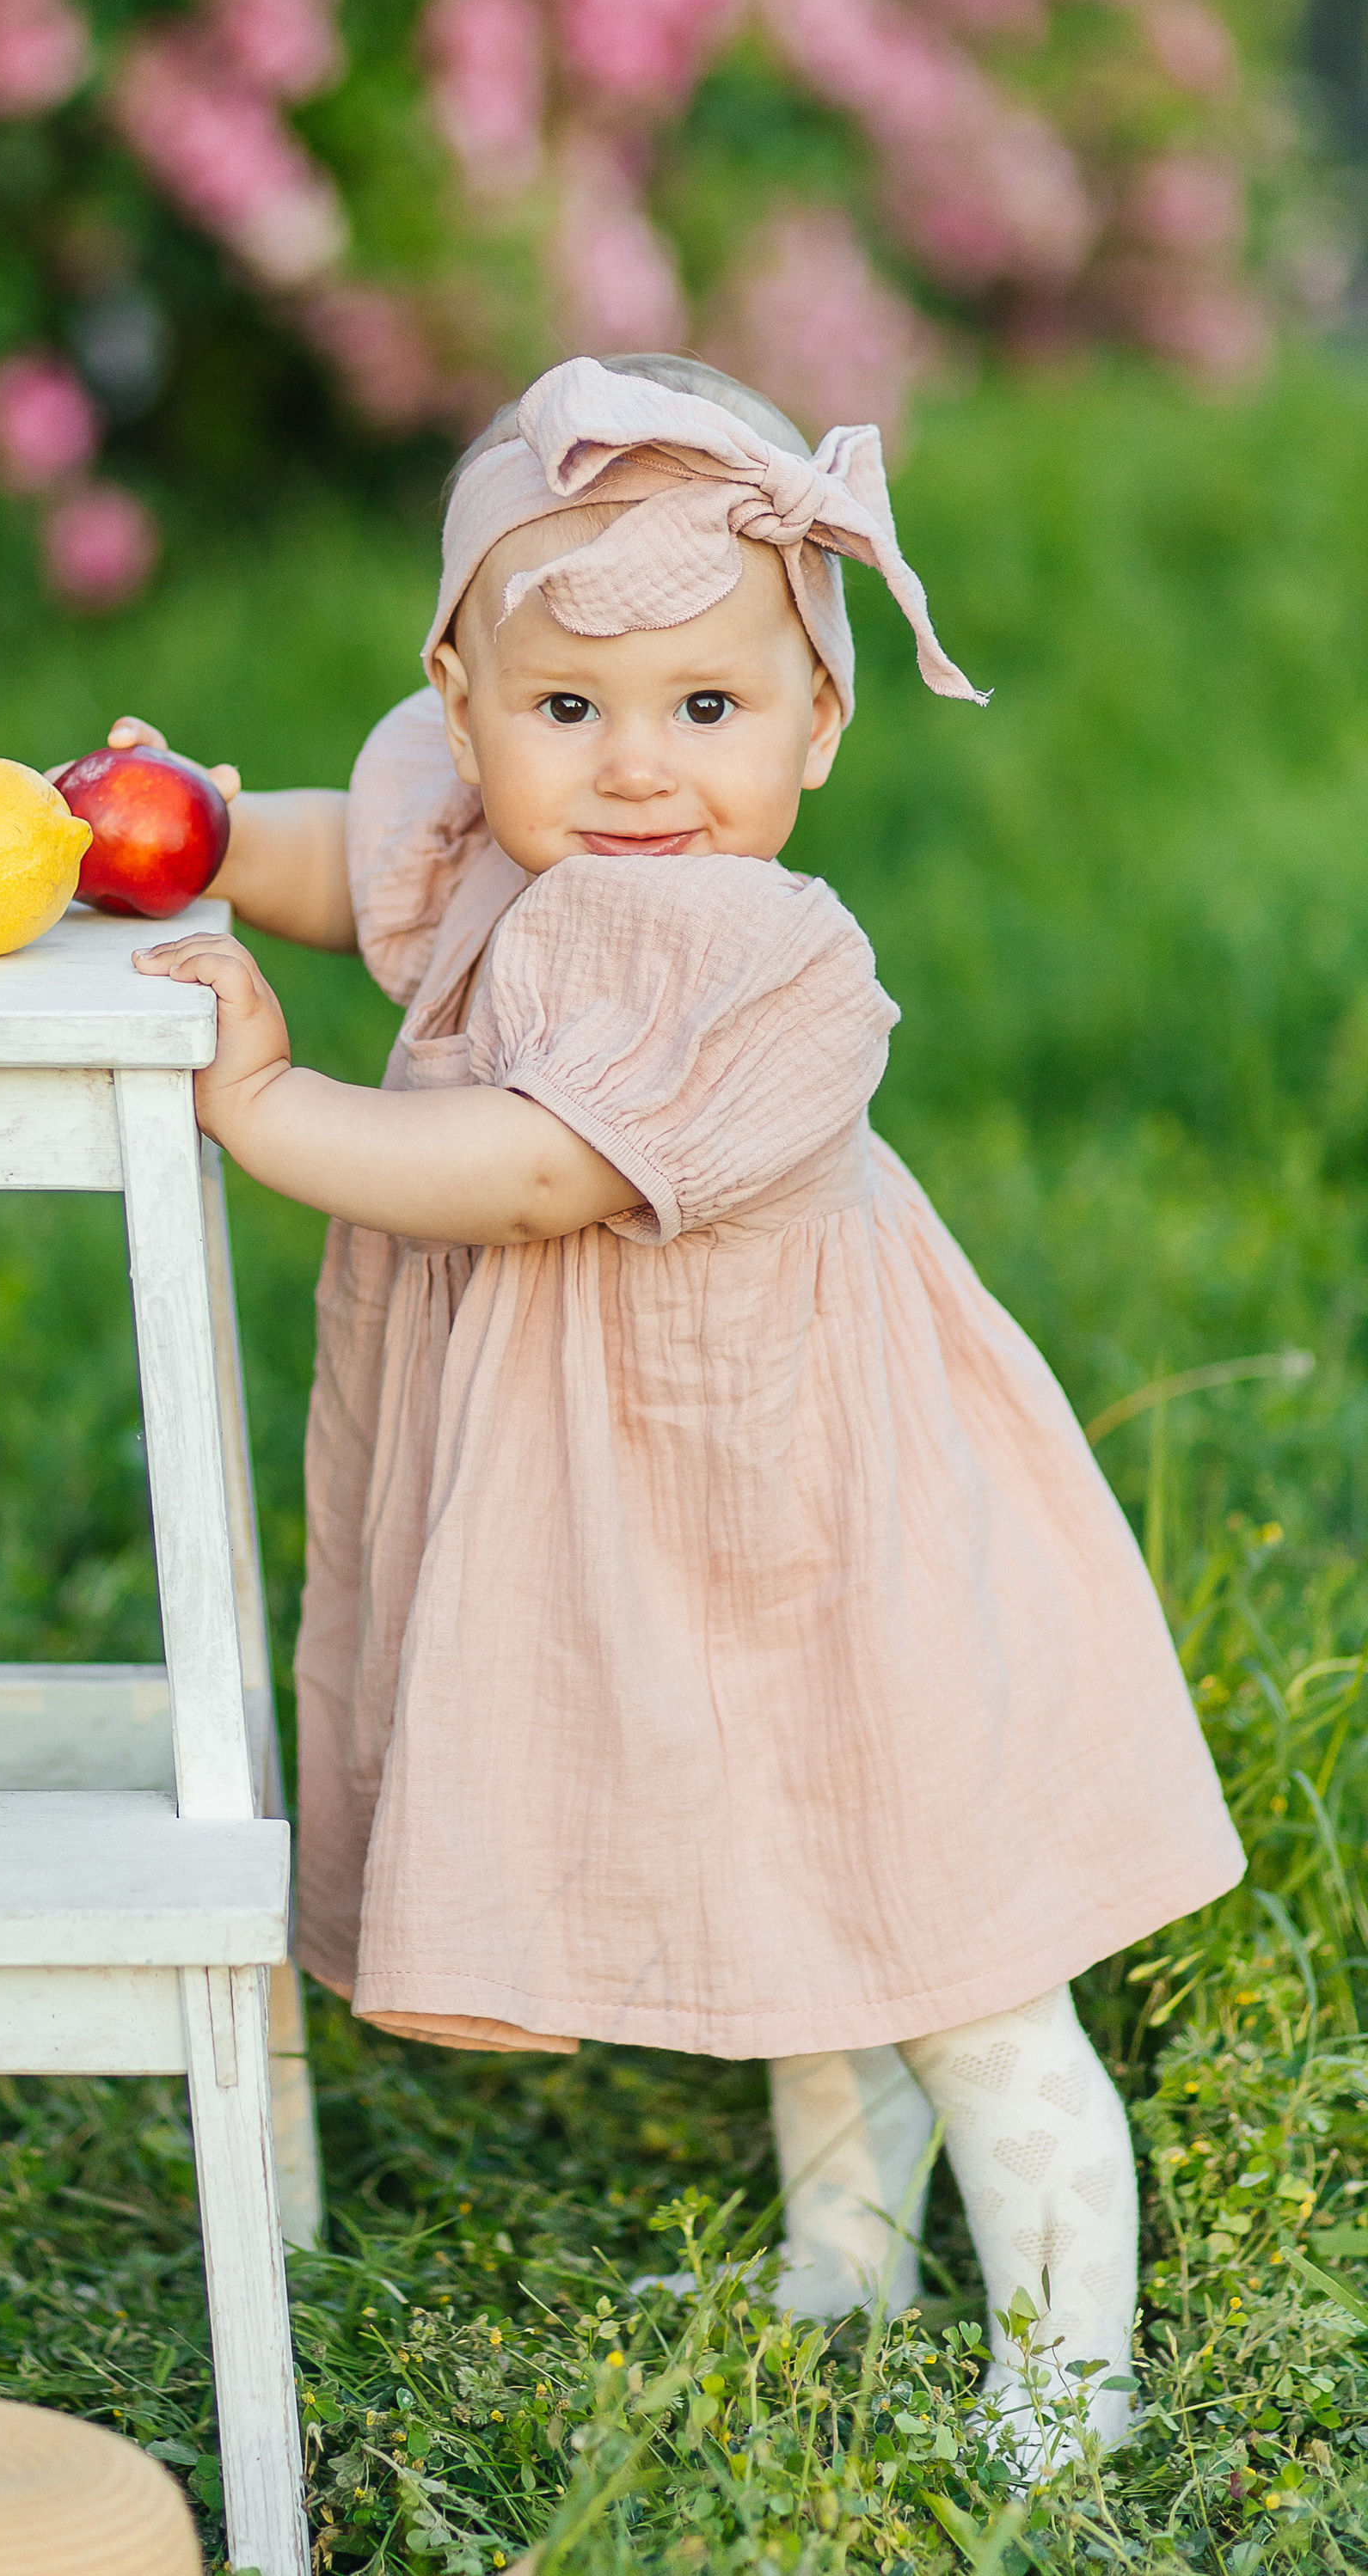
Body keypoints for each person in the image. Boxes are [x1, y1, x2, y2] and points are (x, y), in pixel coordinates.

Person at [115, 351, 1242, 2470]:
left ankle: (1066, 2384)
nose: (635, 770)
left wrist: (270, 1107)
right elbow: (336, 853)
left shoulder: (755, 955)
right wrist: (162, 829)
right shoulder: (493, 843)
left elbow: (539, 1168)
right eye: (566, 713)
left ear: (817, 720)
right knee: (789, 1866)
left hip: (817, 1507)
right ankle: (840, 2266)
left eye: (705, 712)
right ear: (462, 712)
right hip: (661, 1505)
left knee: (932, 1916)